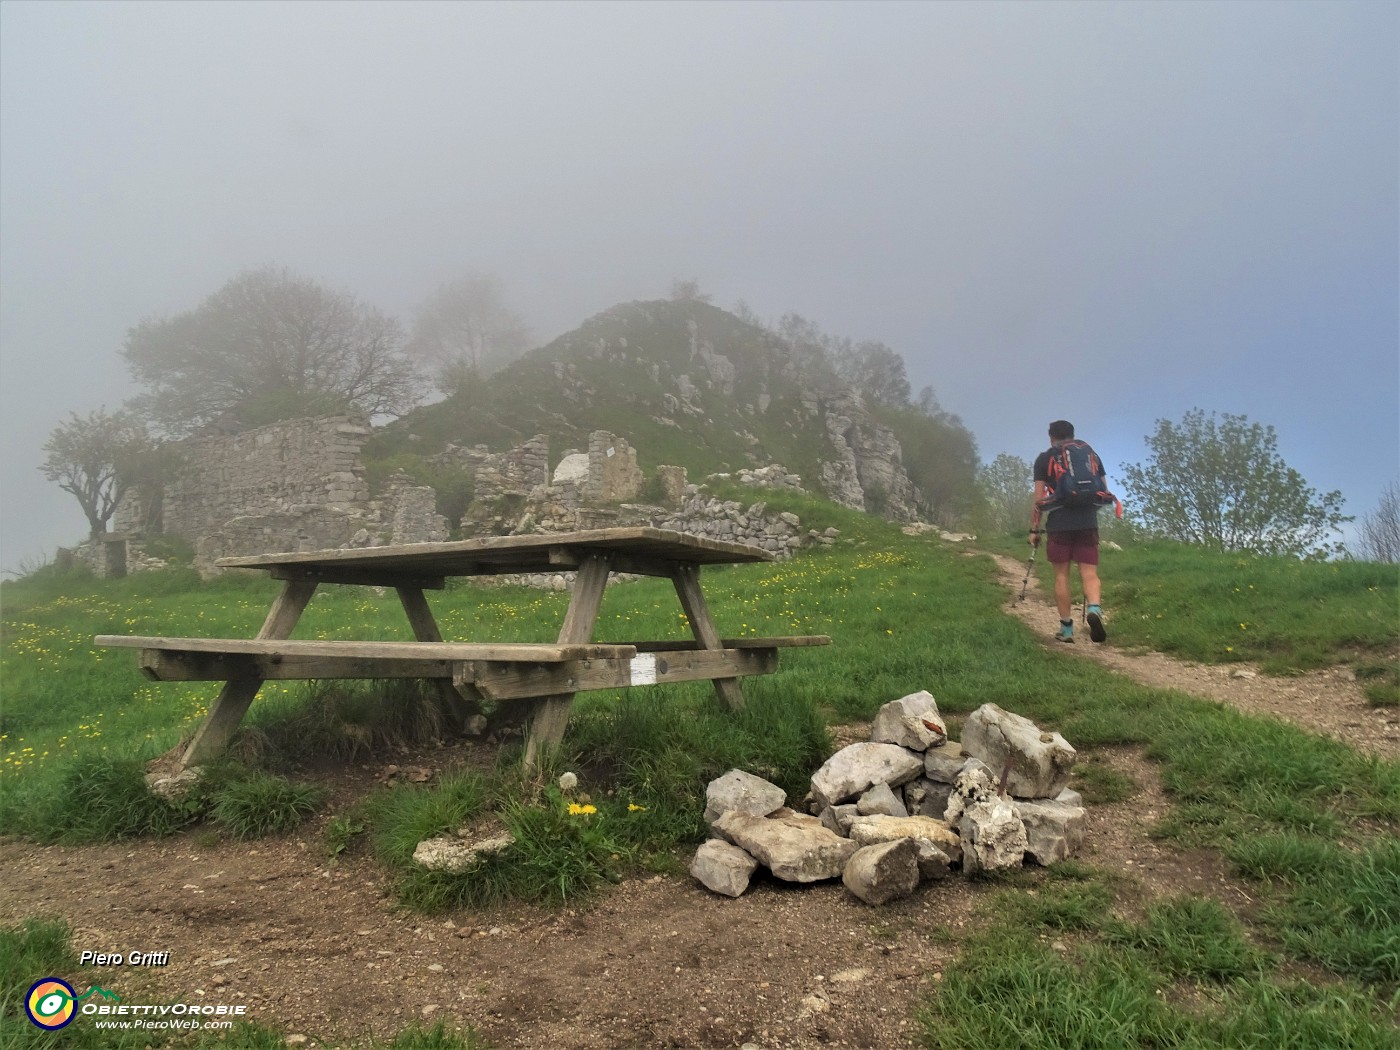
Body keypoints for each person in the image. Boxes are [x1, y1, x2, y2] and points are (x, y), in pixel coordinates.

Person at [1031, 420, 1109, 643]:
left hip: (1059, 525)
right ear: (1073, 435)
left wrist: (1034, 529)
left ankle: (1066, 630)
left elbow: (1038, 499)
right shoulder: (1090, 454)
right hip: (1087, 522)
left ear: (1051, 437)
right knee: (1090, 574)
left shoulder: (1044, 459)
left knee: (1061, 576)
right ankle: (1094, 609)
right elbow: (1103, 490)